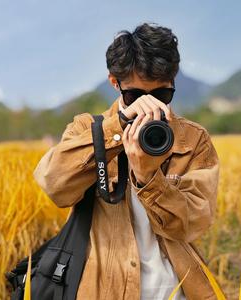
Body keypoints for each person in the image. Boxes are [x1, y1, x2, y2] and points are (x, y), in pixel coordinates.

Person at [33, 22, 220, 300]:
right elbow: (53, 184)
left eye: (161, 95)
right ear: (114, 82)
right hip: (103, 291)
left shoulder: (192, 140)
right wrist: (116, 130)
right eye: (135, 95)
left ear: (173, 82)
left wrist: (148, 178)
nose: (150, 105)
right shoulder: (87, 129)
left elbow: (194, 224)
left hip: (176, 290)